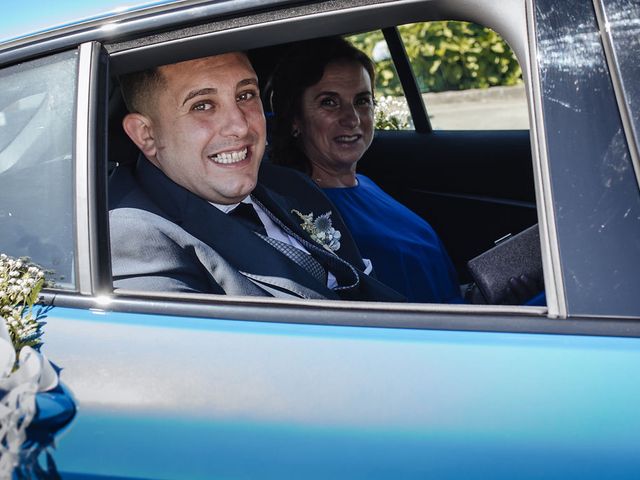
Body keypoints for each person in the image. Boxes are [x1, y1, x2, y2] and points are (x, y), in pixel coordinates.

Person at [109, 51, 404, 302]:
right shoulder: (136, 240)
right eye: (202, 105)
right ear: (146, 135)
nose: (240, 126)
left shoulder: (290, 185)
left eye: (245, 95)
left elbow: (360, 280)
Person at [268, 37, 464, 304]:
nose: (352, 118)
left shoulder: (365, 184)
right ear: (295, 119)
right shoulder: (305, 216)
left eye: (362, 100)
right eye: (329, 102)